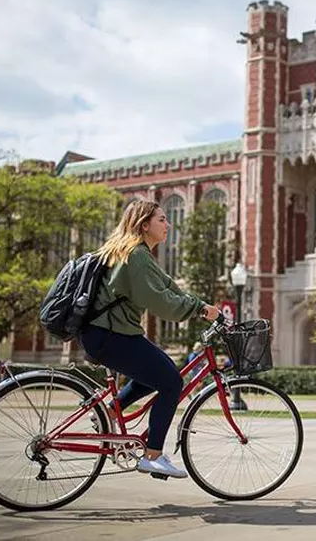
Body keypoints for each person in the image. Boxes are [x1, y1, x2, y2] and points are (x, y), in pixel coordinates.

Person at [78, 199, 220, 479]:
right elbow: (160, 301)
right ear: (144, 225)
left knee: (157, 372)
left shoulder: (137, 253)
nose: (169, 225)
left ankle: (108, 410)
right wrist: (200, 310)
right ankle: (152, 456)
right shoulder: (136, 255)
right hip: (110, 335)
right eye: (162, 220)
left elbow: (168, 287)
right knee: (171, 382)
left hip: (108, 333)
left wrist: (200, 304)